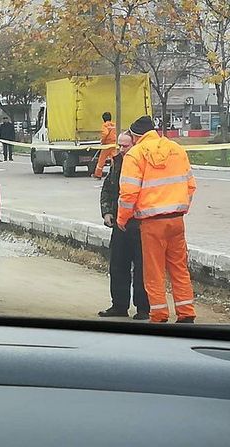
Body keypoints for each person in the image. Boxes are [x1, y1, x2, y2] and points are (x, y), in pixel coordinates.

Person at [117, 116, 197, 324]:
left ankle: (159, 315)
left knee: (154, 271)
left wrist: (122, 218)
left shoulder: (135, 154)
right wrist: (181, 207)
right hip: (176, 220)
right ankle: (186, 313)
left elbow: (128, 193)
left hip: (152, 223)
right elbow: (190, 185)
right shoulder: (177, 150)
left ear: (135, 136)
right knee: (179, 268)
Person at [98, 132, 150, 321]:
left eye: (125, 146)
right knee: (118, 265)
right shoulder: (116, 162)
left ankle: (143, 308)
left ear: (134, 145)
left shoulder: (142, 162)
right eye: (119, 145)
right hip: (120, 223)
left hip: (140, 223)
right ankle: (119, 305)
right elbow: (108, 188)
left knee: (141, 268)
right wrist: (107, 212)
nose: (121, 149)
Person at [93, 112, 117, 179]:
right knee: (114, 159)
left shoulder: (105, 125)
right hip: (114, 144)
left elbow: (105, 133)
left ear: (103, 119)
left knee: (101, 160)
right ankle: (114, 173)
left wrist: (102, 141)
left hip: (107, 145)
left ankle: (98, 174)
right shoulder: (114, 125)